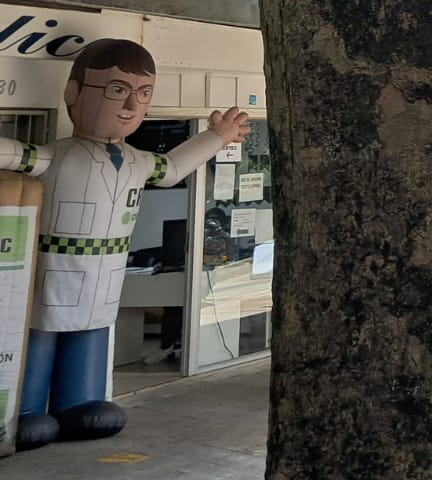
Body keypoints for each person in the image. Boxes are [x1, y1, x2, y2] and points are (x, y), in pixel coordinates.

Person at [0, 38, 248, 450]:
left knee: (93, 332)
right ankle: (24, 410)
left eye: (143, 93)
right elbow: (12, 154)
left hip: (108, 273)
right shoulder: (55, 157)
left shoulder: (137, 160)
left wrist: (216, 137)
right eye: (117, 90)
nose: (131, 104)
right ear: (73, 93)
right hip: (53, 270)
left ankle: (80, 402)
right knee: (40, 334)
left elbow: (173, 169)